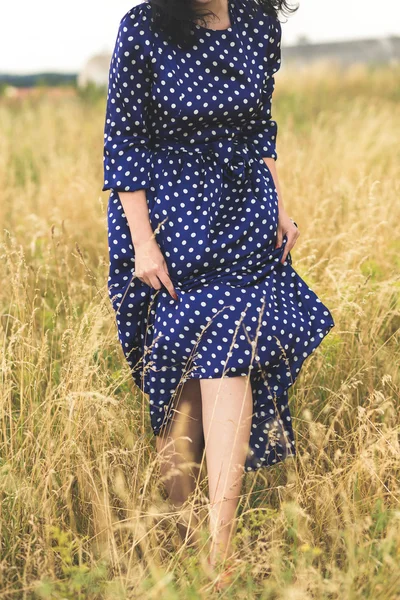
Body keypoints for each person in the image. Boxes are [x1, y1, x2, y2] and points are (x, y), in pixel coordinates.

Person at [102, 0, 335, 590]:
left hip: (243, 214)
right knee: (182, 381)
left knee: (226, 358)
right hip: (170, 220)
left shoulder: (259, 21)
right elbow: (124, 142)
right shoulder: (145, 25)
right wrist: (144, 245)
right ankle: (170, 530)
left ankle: (217, 554)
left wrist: (279, 204)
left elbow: (261, 127)